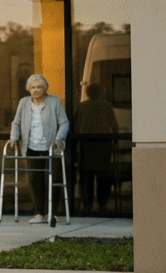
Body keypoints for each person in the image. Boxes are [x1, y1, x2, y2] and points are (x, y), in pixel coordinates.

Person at [10, 73, 70, 223]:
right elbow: (16, 123)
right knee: (35, 180)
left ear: (45, 89)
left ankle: (51, 213)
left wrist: (59, 138)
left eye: (39, 87)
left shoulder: (54, 102)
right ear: (28, 89)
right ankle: (39, 213)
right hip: (31, 147)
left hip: (51, 148)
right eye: (33, 87)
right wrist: (14, 137)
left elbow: (64, 123)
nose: (36, 90)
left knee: (53, 180)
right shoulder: (24, 103)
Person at [74, 83, 118, 211]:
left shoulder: (82, 106)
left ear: (88, 93)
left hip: (86, 143)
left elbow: (76, 126)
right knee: (103, 175)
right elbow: (114, 125)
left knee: (86, 175)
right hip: (103, 143)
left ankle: (87, 203)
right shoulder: (106, 106)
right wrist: (115, 140)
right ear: (101, 93)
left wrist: (75, 143)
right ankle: (102, 202)